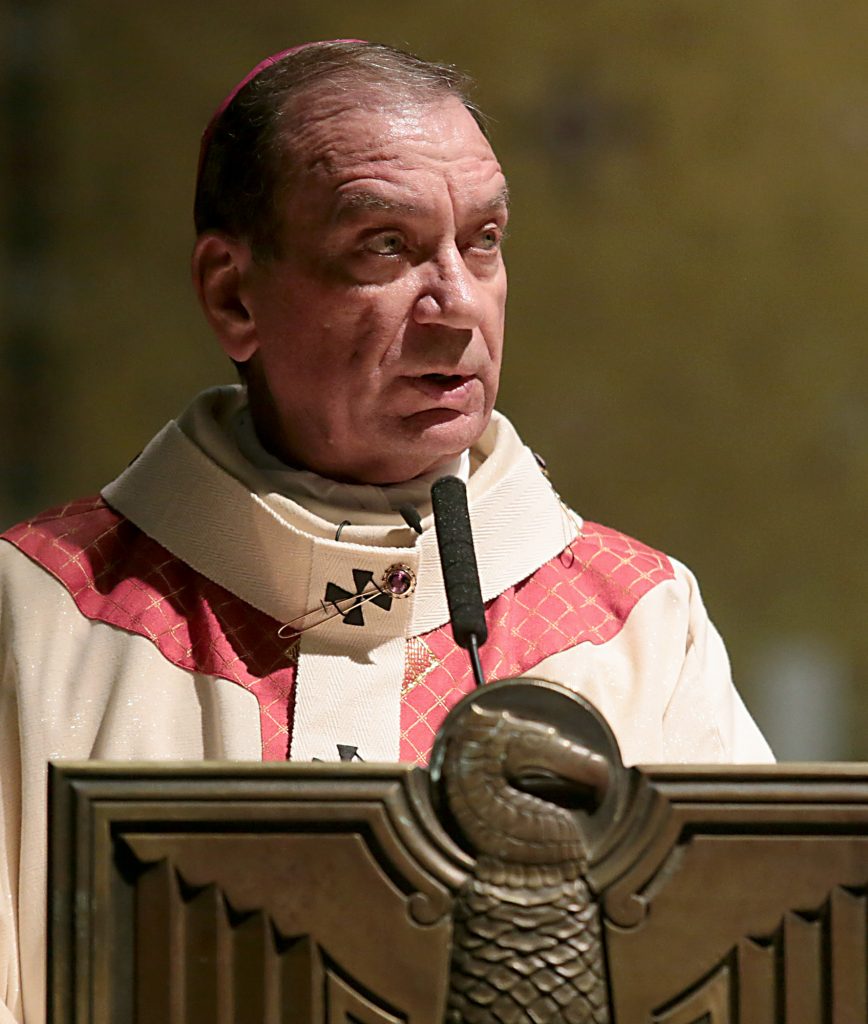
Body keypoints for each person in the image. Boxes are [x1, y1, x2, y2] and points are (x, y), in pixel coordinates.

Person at [0, 40, 773, 1024]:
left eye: (482, 241)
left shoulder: (641, 626)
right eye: (387, 247)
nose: (456, 308)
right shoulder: (39, 617)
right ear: (234, 295)